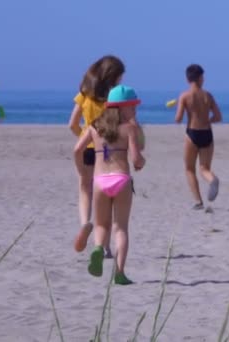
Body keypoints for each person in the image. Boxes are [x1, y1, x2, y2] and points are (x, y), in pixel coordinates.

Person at [73, 85, 146, 285]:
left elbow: (77, 149)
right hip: (121, 180)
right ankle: (120, 273)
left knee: (101, 224)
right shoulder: (129, 129)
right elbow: (136, 158)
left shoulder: (95, 126)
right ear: (123, 108)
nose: (135, 110)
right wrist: (141, 163)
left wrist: (81, 170)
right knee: (120, 228)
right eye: (133, 107)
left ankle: (98, 248)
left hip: (99, 181)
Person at [69, 56, 125, 257]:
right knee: (107, 196)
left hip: (87, 149)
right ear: (113, 75)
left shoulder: (85, 93)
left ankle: (85, 223)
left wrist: (84, 136)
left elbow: (72, 123)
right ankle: (106, 246)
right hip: (106, 151)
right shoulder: (114, 97)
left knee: (85, 188)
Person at [175, 64, 222, 210]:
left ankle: (198, 201)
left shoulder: (185, 96)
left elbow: (178, 119)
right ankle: (212, 179)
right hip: (207, 133)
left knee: (189, 168)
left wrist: (179, 106)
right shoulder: (208, 96)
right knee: (204, 168)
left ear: (188, 79)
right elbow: (218, 116)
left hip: (192, 133)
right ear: (200, 78)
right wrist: (208, 120)